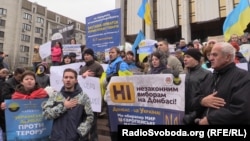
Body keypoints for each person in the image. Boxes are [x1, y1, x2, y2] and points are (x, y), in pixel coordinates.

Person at [195, 42, 250, 125]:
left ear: (227, 57)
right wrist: (202, 101)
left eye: (215, 55)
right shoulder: (209, 77)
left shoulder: (243, 77)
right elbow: (193, 100)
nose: (210, 58)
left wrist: (210, 120)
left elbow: (242, 110)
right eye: (210, 55)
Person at [42, 68, 94, 141]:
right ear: (62, 80)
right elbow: (46, 114)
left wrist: (80, 132)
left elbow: (89, 116)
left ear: (76, 80)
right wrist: (63, 107)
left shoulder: (83, 97)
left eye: (71, 77)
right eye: (66, 77)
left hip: (75, 138)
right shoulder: (55, 96)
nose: (68, 80)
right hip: (57, 137)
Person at [182, 49, 212, 124]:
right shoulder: (185, 75)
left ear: (196, 60)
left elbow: (205, 98)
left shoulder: (206, 74)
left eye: (188, 57)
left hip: (198, 118)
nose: (185, 59)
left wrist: (193, 116)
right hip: (184, 116)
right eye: (184, 57)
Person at [79, 48, 104, 141]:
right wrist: (83, 75)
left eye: (88, 54)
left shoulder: (98, 66)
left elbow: (102, 80)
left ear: (92, 55)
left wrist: (95, 77)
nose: (86, 56)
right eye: (85, 55)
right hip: (84, 101)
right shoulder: (82, 69)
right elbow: (79, 81)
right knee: (83, 123)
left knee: (93, 124)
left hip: (94, 102)